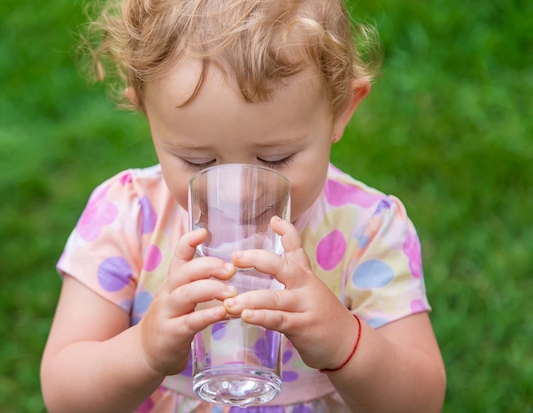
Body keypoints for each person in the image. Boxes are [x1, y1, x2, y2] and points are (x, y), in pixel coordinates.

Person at [40, 0, 446, 411]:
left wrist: (346, 342)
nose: (237, 194)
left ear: (342, 109)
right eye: (199, 162)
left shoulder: (367, 229)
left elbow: (421, 400)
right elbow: (64, 395)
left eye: (274, 158)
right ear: (148, 114)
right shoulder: (129, 216)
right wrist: (143, 353)